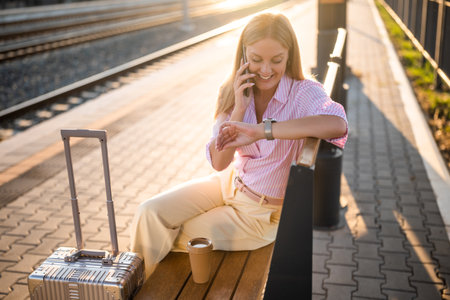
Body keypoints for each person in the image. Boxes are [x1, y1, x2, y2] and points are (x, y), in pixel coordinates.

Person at [130, 12, 348, 279]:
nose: (266, 70)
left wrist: (262, 131)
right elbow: (220, 163)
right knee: (149, 214)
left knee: (168, 236)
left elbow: (338, 123)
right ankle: (133, 288)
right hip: (228, 183)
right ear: (244, 55)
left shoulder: (303, 91)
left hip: (258, 215)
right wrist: (239, 108)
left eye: (276, 60)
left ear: (289, 55)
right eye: (256, 60)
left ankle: (141, 287)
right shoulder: (231, 90)